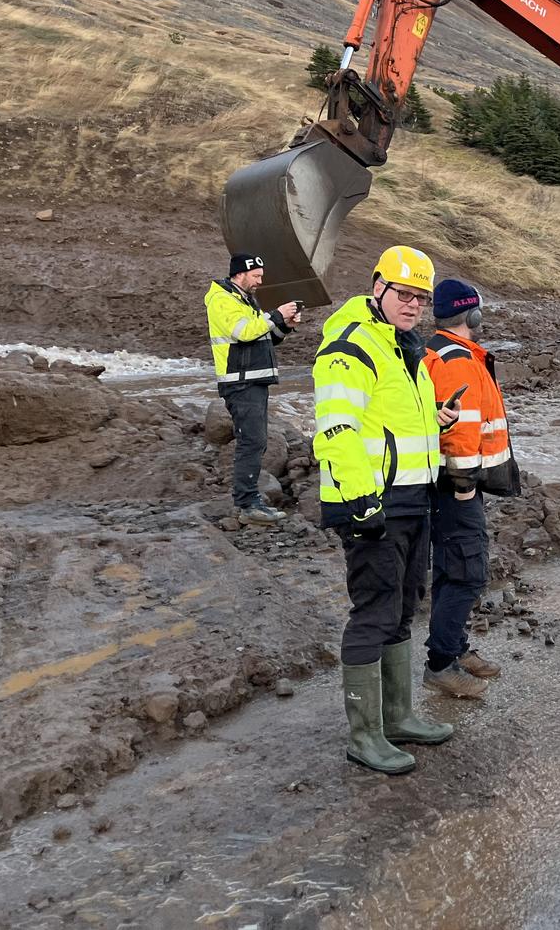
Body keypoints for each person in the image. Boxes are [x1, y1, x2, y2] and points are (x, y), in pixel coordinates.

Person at [312, 245, 462, 775]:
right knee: (374, 613)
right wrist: (362, 501)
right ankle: (364, 736)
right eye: (404, 293)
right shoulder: (352, 347)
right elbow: (337, 429)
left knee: (401, 609)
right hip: (373, 505)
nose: (413, 304)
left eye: (421, 297)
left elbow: (388, 423)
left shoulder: (403, 349)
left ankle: (397, 718)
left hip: (411, 500)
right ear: (378, 287)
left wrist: (434, 420)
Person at [421, 279, 520, 698]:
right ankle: (442, 663)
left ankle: (454, 647)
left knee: (452, 567)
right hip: (456, 487)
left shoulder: (441, 351)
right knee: (467, 572)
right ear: (472, 314)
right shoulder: (457, 361)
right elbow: (460, 432)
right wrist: (464, 486)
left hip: (447, 485)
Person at [205, 252, 300, 524]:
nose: (260, 281)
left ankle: (250, 501)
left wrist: (283, 325)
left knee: (255, 441)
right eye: (256, 276)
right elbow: (243, 333)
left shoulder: (244, 299)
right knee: (252, 441)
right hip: (240, 381)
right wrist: (275, 314)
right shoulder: (222, 299)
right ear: (240, 273)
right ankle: (247, 504)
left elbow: (264, 337)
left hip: (253, 380)